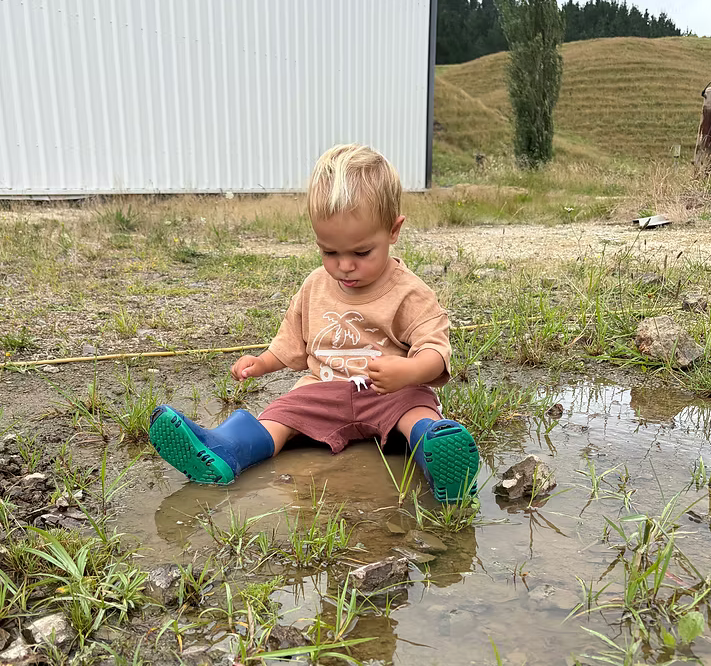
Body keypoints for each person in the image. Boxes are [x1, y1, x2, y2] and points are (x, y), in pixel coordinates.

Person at [149, 144, 479, 503]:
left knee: (415, 407)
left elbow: (435, 348)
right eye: (329, 252)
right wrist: (262, 363)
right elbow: (292, 340)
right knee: (282, 413)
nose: (344, 265)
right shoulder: (314, 287)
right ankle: (227, 450)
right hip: (323, 390)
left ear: (393, 230)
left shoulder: (409, 292)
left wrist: (410, 370)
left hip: (388, 392)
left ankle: (439, 453)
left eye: (361, 252)